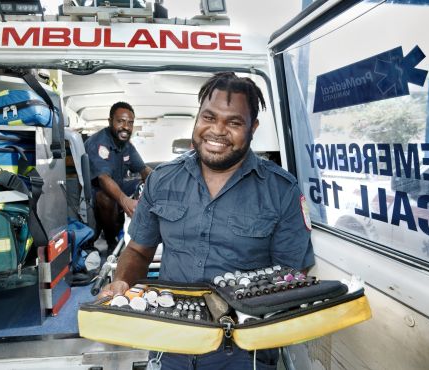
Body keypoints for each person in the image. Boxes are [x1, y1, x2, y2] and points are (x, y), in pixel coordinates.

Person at [99, 72, 314, 369]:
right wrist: (121, 281)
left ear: (253, 127)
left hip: (242, 352)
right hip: (170, 342)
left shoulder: (282, 191)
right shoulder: (162, 180)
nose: (217, 131)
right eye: (208, 117)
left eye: (234, 122)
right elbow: (138, 250)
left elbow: (292, 275)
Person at [84, 101, 152, 253]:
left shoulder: (126, 144)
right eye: (120, 121)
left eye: (130, 123)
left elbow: (143, 169)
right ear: (110, 122)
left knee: (145, 182)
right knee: (106, 198)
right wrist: (124, 200)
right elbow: (103, 178)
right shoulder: (99, 143)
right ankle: (111, 241)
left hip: (118, 184)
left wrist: (160, 184)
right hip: (95, 192)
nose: (126, 127)